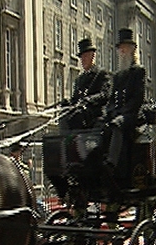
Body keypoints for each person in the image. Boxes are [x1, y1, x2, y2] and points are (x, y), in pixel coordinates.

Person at [101, 28, 146, 184]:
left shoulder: (138, 71)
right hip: (118, 115)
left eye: (124, 48)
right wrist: (110, 113)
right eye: (120, 48)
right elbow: (112, 100)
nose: (122, 51)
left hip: (132, 116)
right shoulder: (118, 75)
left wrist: (121, 114)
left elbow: (137, 99)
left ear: (132, 49)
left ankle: (112, 163)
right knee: (102, 124)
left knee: (118, 124)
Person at [60, 37, 111, 131]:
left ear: (92, 56)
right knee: (64, 115)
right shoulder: (79, 79)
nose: (83, 60)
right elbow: (75, 99)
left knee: (78, 115)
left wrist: (89, 99)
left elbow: (105, 94)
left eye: (85, 56)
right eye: (82, 57)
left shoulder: (101, 74)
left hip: (95, 115)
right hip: (81, 114)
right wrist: (68, 103)